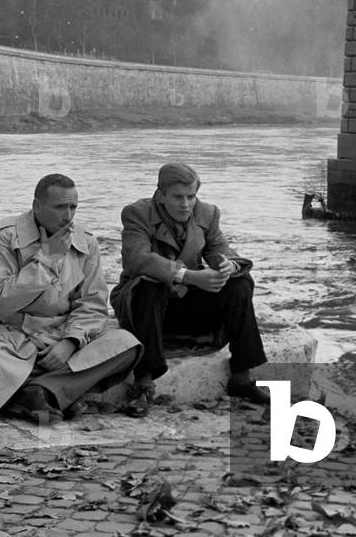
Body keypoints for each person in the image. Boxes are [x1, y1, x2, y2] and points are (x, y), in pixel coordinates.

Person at [0, 173, 142, 424]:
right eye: (60, 207)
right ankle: (55, 392)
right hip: (8, 331)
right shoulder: (4, 237)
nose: (68, 215)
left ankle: (35, 392)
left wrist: (71, 341)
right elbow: (3, 299)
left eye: (73, 207)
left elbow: (92, 304)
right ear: (37, 206)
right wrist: (47, 259)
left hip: (60, 331)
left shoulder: (86, 241)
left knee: (126, 345)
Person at [110, 163, 268, 417]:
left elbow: (221, 249)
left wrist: (228, 265)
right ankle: (143, 385)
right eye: (178, 197)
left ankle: (241, 378)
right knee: (147, 285)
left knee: (239, 282)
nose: (186, 204)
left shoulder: (207, 213)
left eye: (191, 196)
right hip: (146, 309)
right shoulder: (137, 213)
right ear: (161, 195)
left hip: (185, 307)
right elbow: (137, 259)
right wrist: (189, 276)